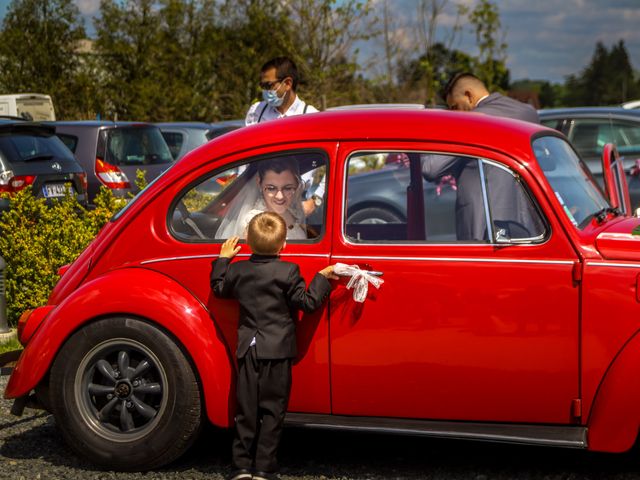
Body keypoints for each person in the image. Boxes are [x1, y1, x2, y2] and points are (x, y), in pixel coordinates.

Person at [211, 211, 337, 480]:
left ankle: (241, 466)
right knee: (272, 411)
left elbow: (219, 288)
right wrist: (322, 278)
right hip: (277, 351)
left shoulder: (238, 270)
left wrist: (223, 259)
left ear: (247, 240)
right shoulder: (288, 271)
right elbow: (308, 303)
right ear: (284, 246)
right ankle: (264, 469)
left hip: (248, 349)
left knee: (246, 410)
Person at [421, 72, 540, 240]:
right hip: (527, 224)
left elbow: (430, 168)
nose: (453, 113)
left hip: (484, 227)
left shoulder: (472, 122)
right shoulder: (527, 113)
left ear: (468, 95)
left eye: (454, 106)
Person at [245, 56, 324, 216]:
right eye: (262, 86)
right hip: (258, 202)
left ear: (287, 83)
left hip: (297, 205)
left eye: (269, 85)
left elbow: (332, 163)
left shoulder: (311, 118)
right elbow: (243, 160)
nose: (264, 91)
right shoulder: (257, 112)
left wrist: (316, 200)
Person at [215, 157, 308, 240]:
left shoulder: (295, 213)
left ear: (297, 185)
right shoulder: (250, 224)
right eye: (271, 188)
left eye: (288, 188)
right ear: (259, 183)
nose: (280, 196)